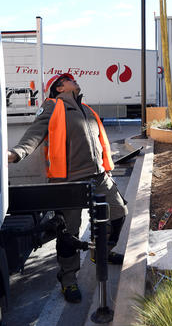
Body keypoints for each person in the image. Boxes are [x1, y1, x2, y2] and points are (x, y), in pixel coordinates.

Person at [8, 73, 128, 303]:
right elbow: (34, 135)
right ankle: (68, 279)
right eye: (69, 79)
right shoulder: (53, 107)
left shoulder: (86, 109)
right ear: (60, 87)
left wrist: (106, 167)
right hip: (69, 180)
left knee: (119, 212)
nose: (75, 80)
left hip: (99, 175)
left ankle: (100, 251)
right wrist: (16, 154)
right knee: (69, 233)